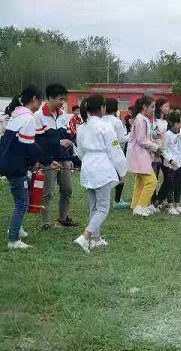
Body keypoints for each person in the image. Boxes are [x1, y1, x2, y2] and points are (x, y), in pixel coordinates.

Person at [0, 85, 59, 249]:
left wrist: (46, 160)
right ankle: (13, 239)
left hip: (8, 163)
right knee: (22, 203)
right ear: (34, 99)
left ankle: (17, 228)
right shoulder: (28, 118)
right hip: (16, 165)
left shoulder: (17, 115)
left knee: (20, 198)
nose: (40, 104)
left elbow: (29, 144)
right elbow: (29, 147)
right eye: (40, 100)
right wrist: (40, 163)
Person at [73, 94, 127, 253]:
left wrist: (89, 160)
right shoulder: (106, 127)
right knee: (103, 207)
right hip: (101, 167)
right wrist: (122, 169)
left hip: (88, 166)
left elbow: (80, 152)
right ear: (102, 108)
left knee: (94, 206)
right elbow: (115, 149)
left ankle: (96, 239)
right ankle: (85, 236)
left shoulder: (81, 127)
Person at [34, 83, 77, 230]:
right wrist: (57, 142)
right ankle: (46, 222)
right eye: (60, 99)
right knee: (48, 192)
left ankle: (63, 219)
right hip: (48, 160)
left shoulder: (63, 115)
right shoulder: (38, 116)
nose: (62, 102)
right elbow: (37, 141)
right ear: (51, 98)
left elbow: (67, 137)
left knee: (67, 190)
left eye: (64, 99)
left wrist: (70, 158)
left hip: (64, 159)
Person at [126, 96, 160, 216]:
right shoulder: (141, 120)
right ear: (144, 107)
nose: (153, 109)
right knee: (152, 181)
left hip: (140, 155)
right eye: (152, 107)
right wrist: (155, 147)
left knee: (140, 182)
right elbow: (142, 140)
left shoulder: (142, 119)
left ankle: (136, 205)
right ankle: (141, 206)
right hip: (139, 155)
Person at [157, 112, 181, 215]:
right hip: (170, 165)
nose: (180, 125)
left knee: (178, 185)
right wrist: (170, 160)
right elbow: (163, 150)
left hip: (180, 163)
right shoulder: (167, 135)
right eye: (178, 123)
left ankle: (177, 205)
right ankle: (170, 206)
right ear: (172, 123)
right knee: (170, 185)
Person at [102, 98, 130, 209]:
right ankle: (117, 200)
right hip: (114, 152)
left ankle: (104, 200)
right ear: (116, 107)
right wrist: (131, 134)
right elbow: (121, 139)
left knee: (105, 177)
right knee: (121, 175)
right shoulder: (116, 121)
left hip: (102, 154)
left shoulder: (101, 120)